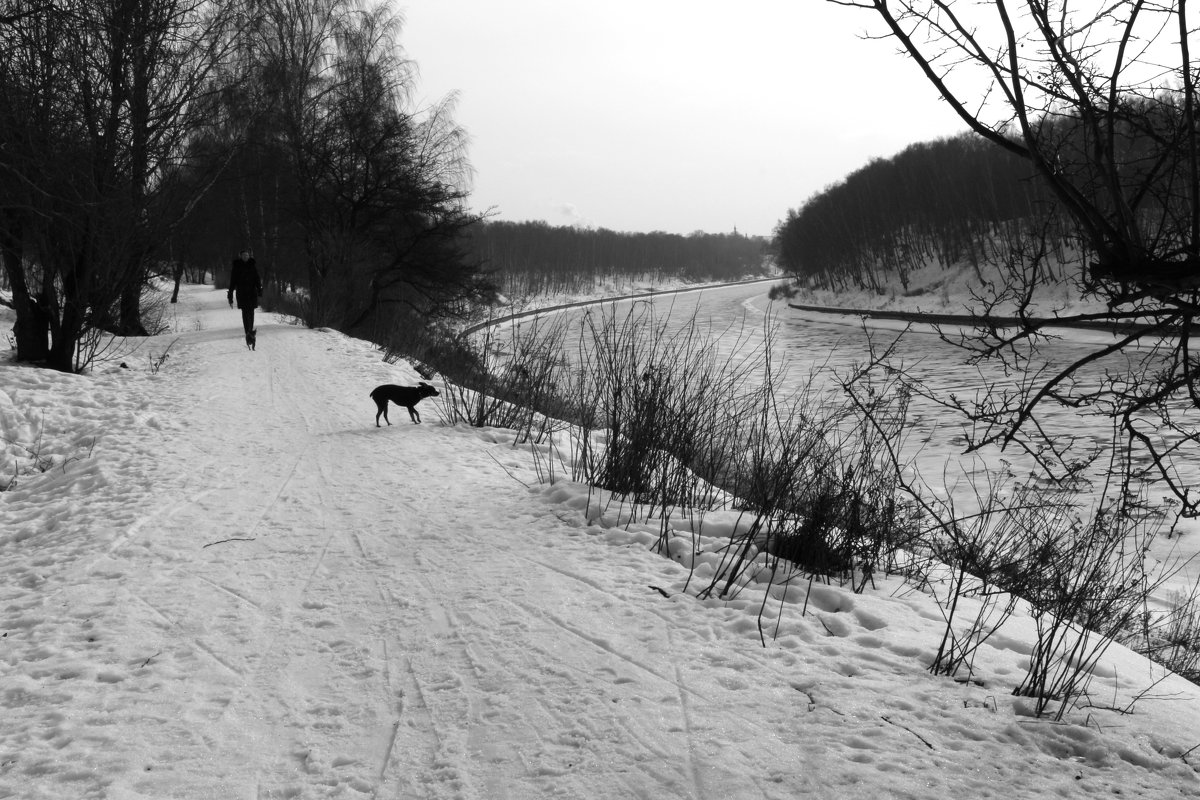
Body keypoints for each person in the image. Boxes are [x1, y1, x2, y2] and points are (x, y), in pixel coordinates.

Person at [228, 249, 263, 339]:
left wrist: (260, 290)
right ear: (241, 256)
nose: (246, 257)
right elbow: (232, 283)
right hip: (241, 293)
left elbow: (257, 279)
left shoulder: (252, 265)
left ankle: (250, 329)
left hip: (252, 293)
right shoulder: (236, 267)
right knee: (245, 312)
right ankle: (247, 331)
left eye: (247, 255)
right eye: (244, 255)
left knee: (251, 312)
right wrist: (230, 297)